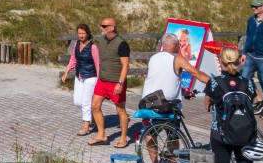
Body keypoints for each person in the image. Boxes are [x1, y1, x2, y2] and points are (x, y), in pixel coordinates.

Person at [204, 46, 258, 163]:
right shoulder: (248, 83)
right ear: (239, 61)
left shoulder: (214, 82)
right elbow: (253, 101)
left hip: (220, 134)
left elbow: (207, 104)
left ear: (220, 61)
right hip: (245, 133)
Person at [88, 17, 131, 148]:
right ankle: (102, 135)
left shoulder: (122, 44)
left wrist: (120, 83)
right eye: (101, 26)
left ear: (112, 28)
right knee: (95, 106)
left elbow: (126, 65)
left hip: (115, 82)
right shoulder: (102, 41)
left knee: (120, 110)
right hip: (102, 80)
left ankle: (123, 138)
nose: (101, 28)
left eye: (104, 26)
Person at [141, 33, 211, 106]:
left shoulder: (154, 58)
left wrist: (183, 92)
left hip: (147, 101)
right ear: (175, 45)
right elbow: (198, 74)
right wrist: (216, 83)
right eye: (179, 44)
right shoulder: (177, 58)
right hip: (166, 104)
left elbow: (164, 80)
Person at [61, 23, 99, 136]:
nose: (81, 36)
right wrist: (66, 72)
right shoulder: (76, 44)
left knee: (86, 102)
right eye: (79, 33)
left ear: (88, 34)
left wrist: (99, 79)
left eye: (83, 33)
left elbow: (98, 64)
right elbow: (73, 59)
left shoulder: (93, 47)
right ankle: (94, 117)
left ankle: (86, 127)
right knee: (78, 102)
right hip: (79, 75)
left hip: (91, 77)